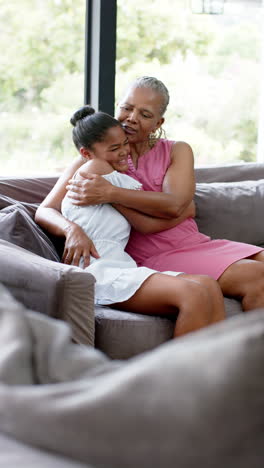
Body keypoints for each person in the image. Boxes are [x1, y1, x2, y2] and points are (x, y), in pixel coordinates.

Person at [35, 76, 264, 312]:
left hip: (194, 242)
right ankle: (242, 347)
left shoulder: (177, 150)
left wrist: (111, 193)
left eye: (145, 115)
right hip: (151, 254)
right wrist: (72, 230)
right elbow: (45, 209)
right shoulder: (97, 158)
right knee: (258, 277)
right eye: (126, 108)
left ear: (158, 122)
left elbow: (175, 205)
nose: (132, 118)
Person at [59, 105, 225, 337]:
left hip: (119, 264)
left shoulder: (108, 182)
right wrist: (184, 209)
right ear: (87, 154)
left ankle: (215, 371)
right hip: (98, 269)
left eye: (125, 144)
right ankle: (179, 373)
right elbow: (157, 214)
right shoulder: (97, 170)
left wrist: (177, 207)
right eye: (114, 148)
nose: (124, 152)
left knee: (209, 285)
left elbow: (147, 221)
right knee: (194, 293)